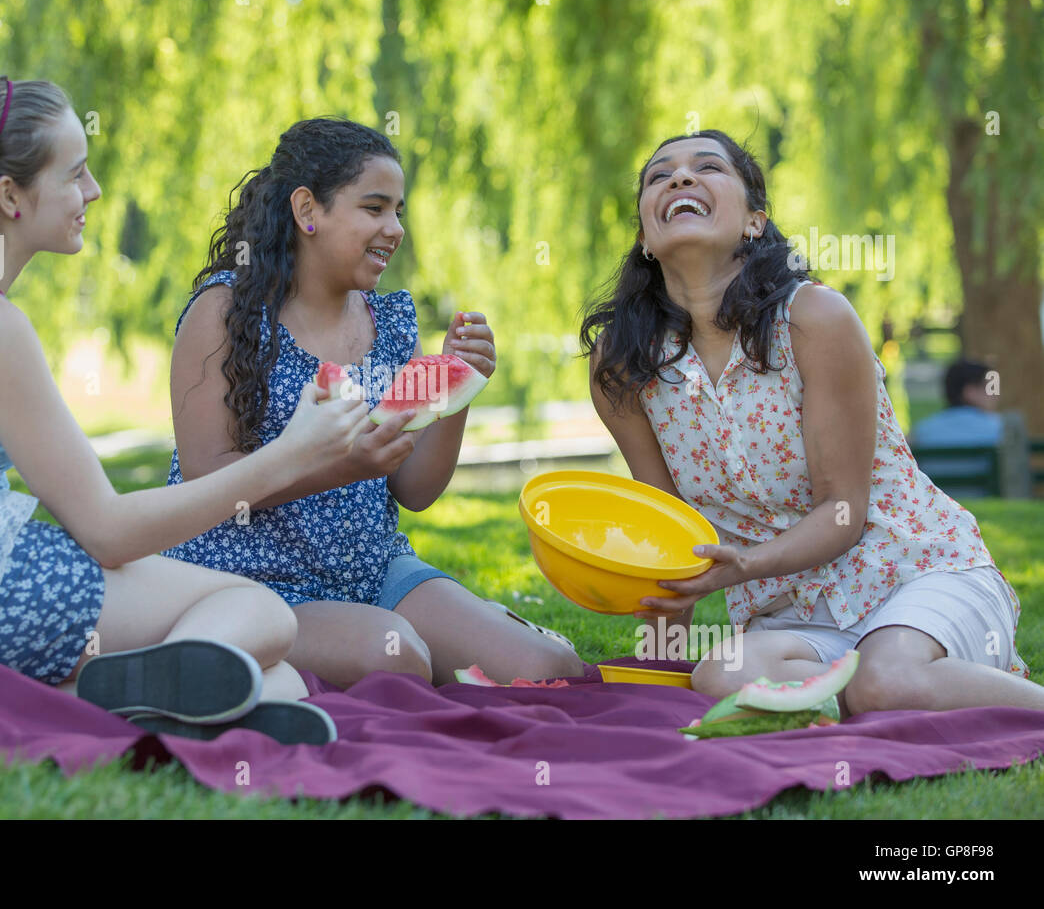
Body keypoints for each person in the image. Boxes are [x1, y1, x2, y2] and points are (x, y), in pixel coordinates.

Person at [0, 76, 370, 743]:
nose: (93, 191)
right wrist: (291, 454)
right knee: (258, 611)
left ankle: (150, 695)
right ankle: (152, 691)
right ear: (10, 196)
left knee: (281, 680)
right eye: (74, 174)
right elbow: (106, 529)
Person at [580, 129, 1043, 716]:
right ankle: (868, 694)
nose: (680, 178)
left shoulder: (813, 318)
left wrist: (744, 565)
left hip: (915, 574)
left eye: (707, 167)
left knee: (886, 683)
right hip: (789, 620)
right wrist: (653, 666)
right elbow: (673, 535)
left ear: (754, 221)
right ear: (646, 236)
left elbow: (842, 513)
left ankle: (919, 688)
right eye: (659, 175)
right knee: (720, 675)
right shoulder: (621, 365)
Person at [163, 117, 585, 688]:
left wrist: (457, 387)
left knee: (548, 670)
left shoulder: (387, 321)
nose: (394, 228)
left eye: (399, 211)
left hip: (373, 568)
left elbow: (414, 490)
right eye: (374, 208)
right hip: (248, 578)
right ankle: (208, 649)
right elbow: (204, 482)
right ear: (308, 210)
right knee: (395, 658)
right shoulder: (224, 313)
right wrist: (345, 466)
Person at [908, 359, 1003, 488]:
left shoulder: (921, 431)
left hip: (938, 504)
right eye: (991, 387)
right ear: (970, 392)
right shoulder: (1001, 428)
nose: (996, 395)